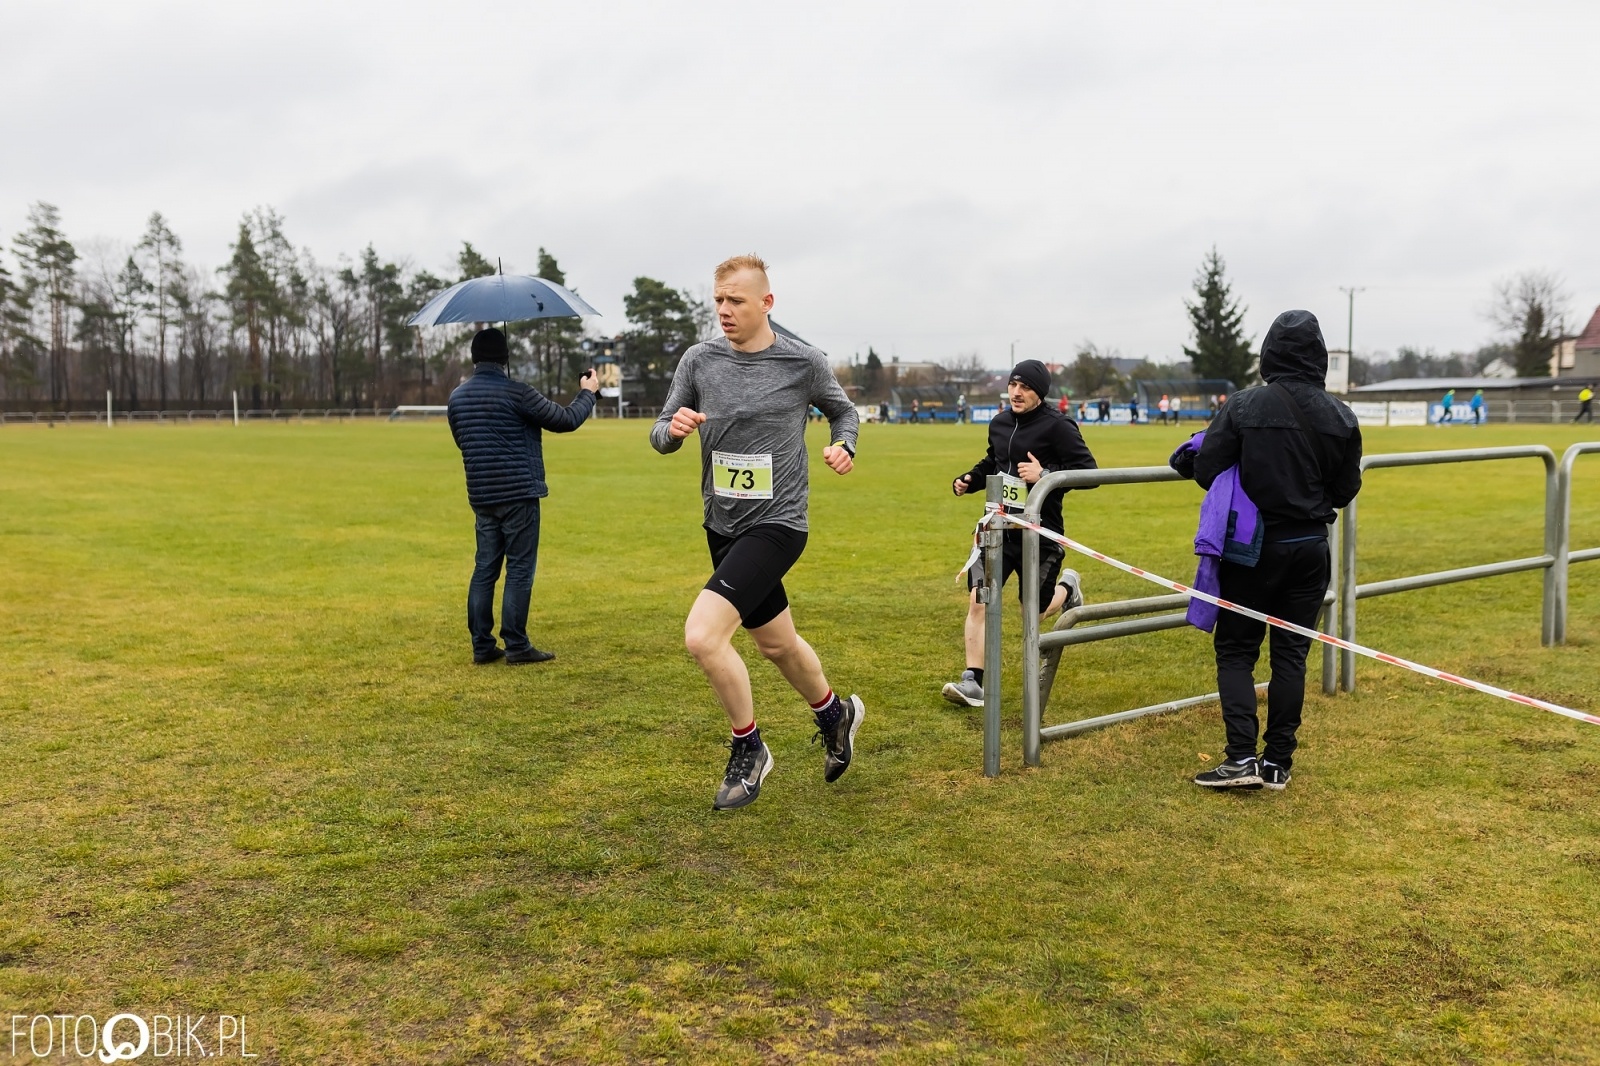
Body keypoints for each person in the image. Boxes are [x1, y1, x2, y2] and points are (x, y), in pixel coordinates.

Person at [650, 255, 863, 812]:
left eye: (736, 301)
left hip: (778, 524)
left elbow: (845, 413)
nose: (724, 311)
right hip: (722, 523)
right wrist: (672, 429)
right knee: (775, 643)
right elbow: (659, 432)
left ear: (766, 303)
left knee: (702, 636)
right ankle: (834, 713)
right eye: (718, 300)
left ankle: (750, 748)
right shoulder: (699, 360)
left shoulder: (802, 362)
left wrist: (845, 446)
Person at [1172, 310, 1361, 791]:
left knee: (1236, 650)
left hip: (1253, 550)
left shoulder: (1244, 405)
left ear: (1269, 352)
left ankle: (1240, 759)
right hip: (1311, 548)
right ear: (1318, 355)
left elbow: (1207, 468)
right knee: (1290, 656)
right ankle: (1277, 762)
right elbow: (1344, 489)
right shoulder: (1341, 415)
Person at [942, 359, 1098, 707]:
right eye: (1013, 384)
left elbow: (1090, 473)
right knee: (979, 599)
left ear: (1039, 393)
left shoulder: (1058, 427)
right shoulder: (999, 423)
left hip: (1041, 534)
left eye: (1025, 387)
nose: (1016, 392)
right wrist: (970, 479)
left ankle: (1068, 589)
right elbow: (994, 462)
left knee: (1033, 611)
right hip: (998, 528)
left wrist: (1045, 472)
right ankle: (973, 682)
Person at [446, 328, 598, 665]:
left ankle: (482, 646)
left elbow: (463, 440)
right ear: (505, 359)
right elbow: (566, 419)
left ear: (474, 359)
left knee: (484, 568)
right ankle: (516, 644)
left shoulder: (456, 397)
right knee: (519, 570)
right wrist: (587, 393)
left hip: (482, 493)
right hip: (519, 493)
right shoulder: (519, 393)